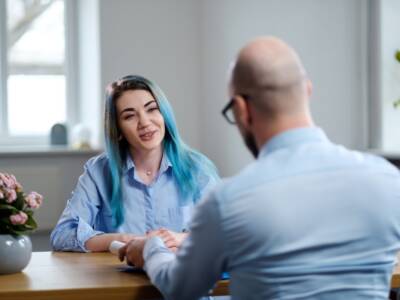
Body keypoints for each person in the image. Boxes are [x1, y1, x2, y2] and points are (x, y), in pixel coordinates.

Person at [118, 37, 400, 299]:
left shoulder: (229, 201)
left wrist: (150, 249)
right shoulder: (387, 181)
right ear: (308, 90)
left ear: (241, 109)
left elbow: (179, 288)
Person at [50, 75, 219, 252]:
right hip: (118, 278)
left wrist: (180, 238)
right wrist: (123, 240)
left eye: (152, 109)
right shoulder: (98, 171)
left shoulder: (197, 167)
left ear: (164, 114)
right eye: (130, 116)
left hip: (181, 276)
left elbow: (226, 231)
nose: (145, 122)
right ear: (118, 130)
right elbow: (63, 235)